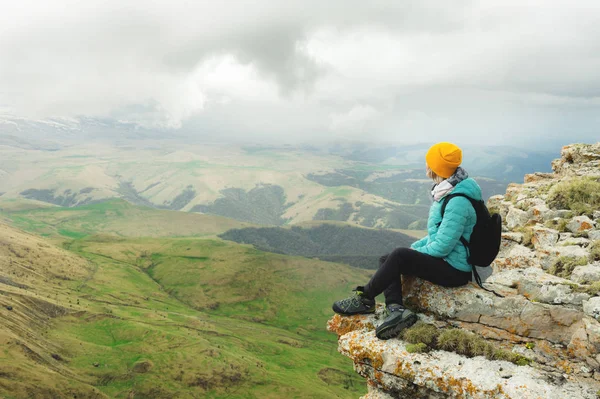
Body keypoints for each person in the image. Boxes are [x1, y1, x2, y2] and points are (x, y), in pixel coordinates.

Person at [332, 142, 481, 340]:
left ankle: (366, 298)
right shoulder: (450, 191)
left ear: (435, 168)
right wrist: (414, 250)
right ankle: (395, 309)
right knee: (389, 258)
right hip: (448, 262)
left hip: (455, 270)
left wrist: (411, 255)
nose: (425, 166)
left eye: (428, 162)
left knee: (398, 255)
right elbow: (438, 234)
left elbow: (442, 246)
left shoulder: (457, 201)